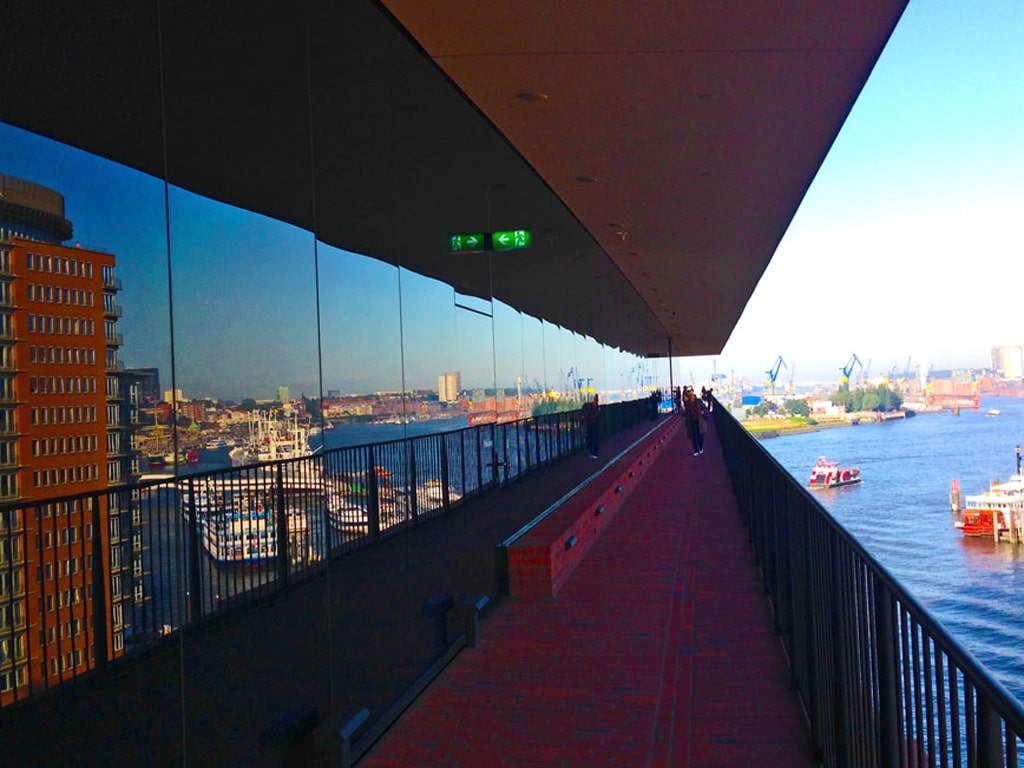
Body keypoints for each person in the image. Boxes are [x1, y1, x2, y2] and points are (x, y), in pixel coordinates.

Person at [683, 388, 707, 456]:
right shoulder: (687, 404)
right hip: (691, 421)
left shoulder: (699, 401)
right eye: (689, 395)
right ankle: (696, 450)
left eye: (691, 395)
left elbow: (703, 408)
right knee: (693, 436)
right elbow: (686, 414)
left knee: (700, 436)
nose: (691, 396)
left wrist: (703, 411)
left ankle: (701, 447)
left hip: (699, 421)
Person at [582, 393, 600, 459]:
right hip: (591, 425)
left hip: (593, 425)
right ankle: (592, 452)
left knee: (592, 438)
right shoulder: (592, 407)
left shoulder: (595, 406)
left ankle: (592, 452)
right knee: (592, 438)